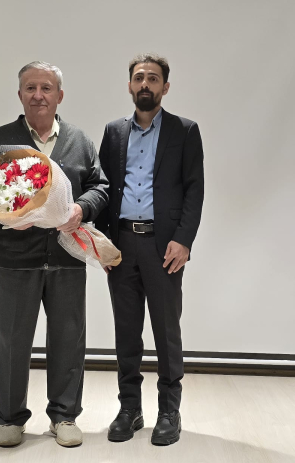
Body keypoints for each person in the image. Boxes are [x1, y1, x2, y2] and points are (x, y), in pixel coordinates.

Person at [0, 61, 108, 448]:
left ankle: (64, 416)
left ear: (59, 95)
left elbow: (100, 186)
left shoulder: (80, 140)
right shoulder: (0, 140)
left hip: (67, 257)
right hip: (13, 259)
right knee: (11, 340)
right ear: (20, 94)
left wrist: (82, 208)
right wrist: (7, 214)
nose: (38, 95)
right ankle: (10, 418)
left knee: (69, 338)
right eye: (30, 87)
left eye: (46, 88)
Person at [96, 53, 204, 446]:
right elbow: (103, 187)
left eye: (153, 78)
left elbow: (194, 189)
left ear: (165, 87)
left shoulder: (184, 131)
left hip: (165, 248)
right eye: (139, 77)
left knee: (166, 332)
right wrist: (102, 242)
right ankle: (130, 409)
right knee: (126, 333)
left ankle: (169, 411)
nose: (145, 84)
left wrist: (184, 240)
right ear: (130, 85)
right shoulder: (114, 132)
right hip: (122, 245)